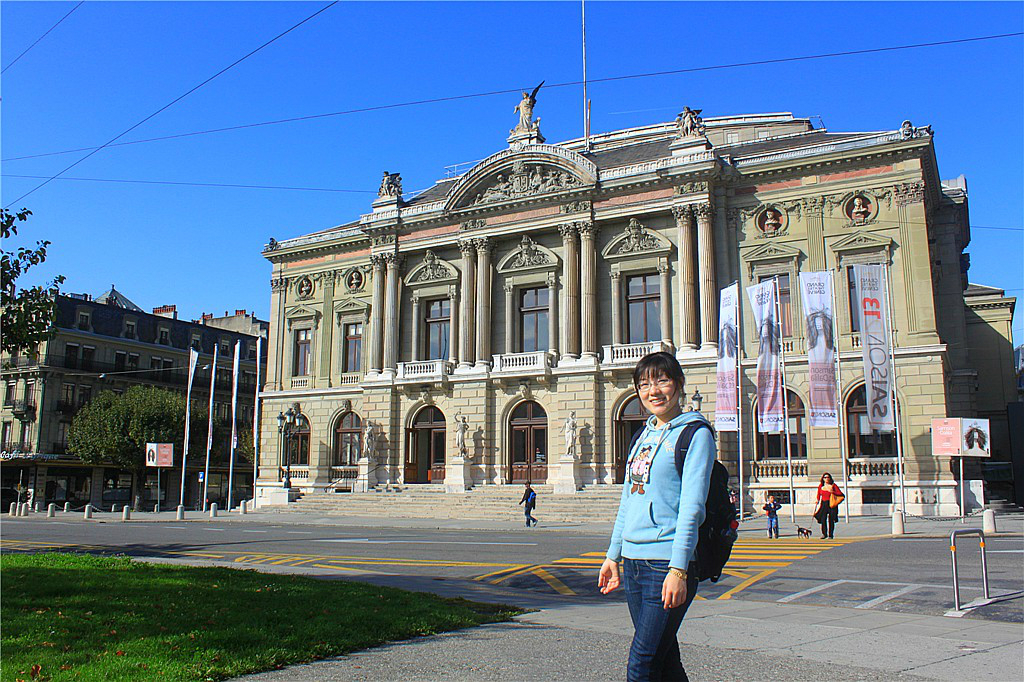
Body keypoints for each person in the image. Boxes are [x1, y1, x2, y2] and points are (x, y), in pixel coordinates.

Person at [598, 351, 716, 681]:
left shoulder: (695, 434)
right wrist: (613, 555)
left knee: (642, 663)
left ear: (678, 385)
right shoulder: (641, 436)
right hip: (634, 563)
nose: (654, 390)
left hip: (665, 563)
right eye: (644, 384)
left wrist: (679, 568)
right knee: (664, 660)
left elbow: (693, 507)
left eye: (662, 380)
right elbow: (628, 501)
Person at [813, 472, 843, 539]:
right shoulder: (821, 486)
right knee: (823, 519)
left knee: (831, 519)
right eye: (825, 477)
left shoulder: (833, 485)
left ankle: (830, 534)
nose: (826, 479)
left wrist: (832, 491)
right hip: (824, 504)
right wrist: (817, 500)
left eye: (828, 477)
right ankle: (824, 534)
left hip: (831, 504)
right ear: (823, 479)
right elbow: (819, 494)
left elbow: (840, 494)